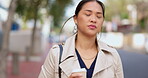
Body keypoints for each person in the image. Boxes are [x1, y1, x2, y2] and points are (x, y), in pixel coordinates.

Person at [38, 0, 124, 78]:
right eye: (88, 14)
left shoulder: (112, 55)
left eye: (98, 16)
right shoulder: (56, 54)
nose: (93, 19)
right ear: (75, 19)